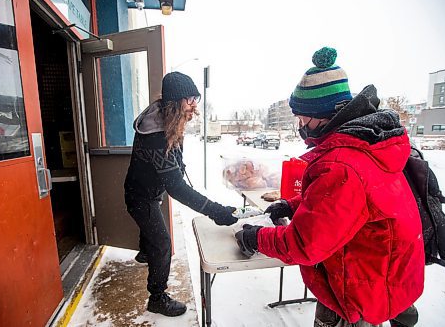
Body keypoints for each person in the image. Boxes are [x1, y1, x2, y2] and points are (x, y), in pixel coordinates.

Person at [235, 47, 424, 327]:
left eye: (303, 118)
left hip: (358, 288)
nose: (300, 125)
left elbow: (305, 244)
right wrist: (292, 204)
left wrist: (256, 238)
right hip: (382, 272)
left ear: (324, 113)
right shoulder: (368, 143)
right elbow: (343, 205)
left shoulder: (342, 163)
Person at [124, 72, 238, 317]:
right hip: (139, 197)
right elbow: (176, 187)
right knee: (163, 244)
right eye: (189, 99)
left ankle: (146, 251)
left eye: (195, 97)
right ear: (174, 101)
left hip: (148, 191)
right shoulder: (154, 134)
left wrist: (178, 162)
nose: (194, 104)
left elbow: (174, 153)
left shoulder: (168, 118)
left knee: (152, 236)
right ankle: (157, 297)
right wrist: (215, 210)